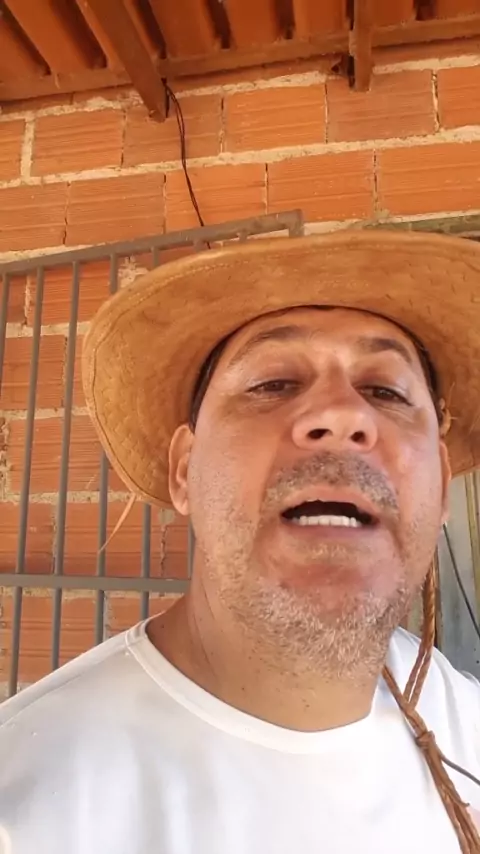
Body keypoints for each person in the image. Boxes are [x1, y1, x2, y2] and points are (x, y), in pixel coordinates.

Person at [1, 230, 480, 854]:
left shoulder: (462, 721)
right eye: (272, 383)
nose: (343, 415)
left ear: (441, 485)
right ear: (184, 471)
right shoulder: (28, 811)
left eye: (386, 391)